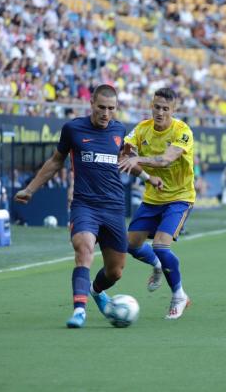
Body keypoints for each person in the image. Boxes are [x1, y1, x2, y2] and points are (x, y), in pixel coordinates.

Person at [14, 84, 160, 328]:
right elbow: (55, 161)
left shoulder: (119, 130)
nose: (105, 113)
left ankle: (96, 291)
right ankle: (79, 311)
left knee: (115, 272)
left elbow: (123, 161)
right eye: (101, 107)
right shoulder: (73, 129)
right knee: (84, 251)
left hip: (114, 207)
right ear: (91, 104)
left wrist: (148, 178)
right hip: (85, 205)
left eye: (111, 108)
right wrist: (30, 189)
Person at [118, 87, 195, 320]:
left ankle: (179, 295)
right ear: (151, 106)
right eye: (156, 107)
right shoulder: (141, 130)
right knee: (130, 245)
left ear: (174, 110)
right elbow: (125, 156)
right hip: (152, 198)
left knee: (162, 245)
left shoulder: (182, 131)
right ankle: (157, 265)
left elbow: (167, 159)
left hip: (180, 197)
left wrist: (137, 158)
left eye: (165, 109)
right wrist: (128, 155)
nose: (160, 112)